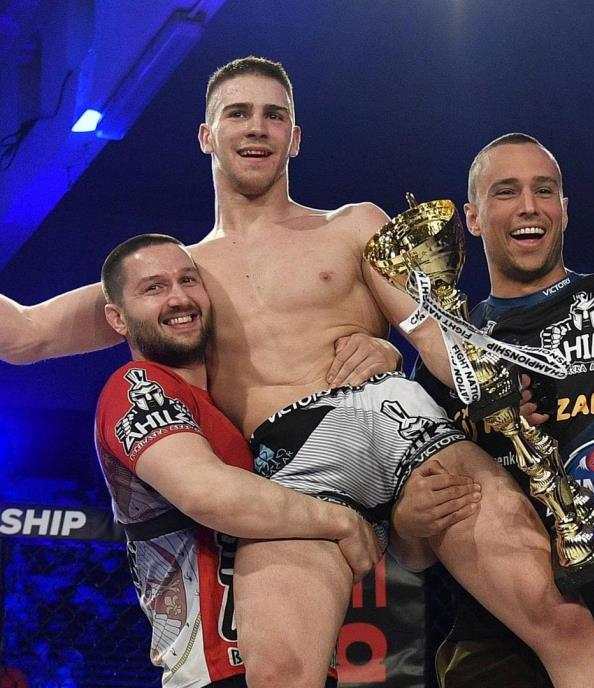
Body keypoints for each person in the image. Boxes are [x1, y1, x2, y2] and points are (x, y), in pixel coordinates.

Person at [0, 57, 594, 688]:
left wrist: (483, 389)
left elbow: (434, 334)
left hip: (402, 425)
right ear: (206, 136)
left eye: (274, 115)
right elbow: (25, 335)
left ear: (295, 137)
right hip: (293, 468)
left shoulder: (354, 224)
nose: (257, 128)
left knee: (561, 621)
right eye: (238, 114)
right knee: (279, 674)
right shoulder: (177, 277)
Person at [415, 133, 594, 687]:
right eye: (505, 191)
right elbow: (411, 550)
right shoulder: (446, 356)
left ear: (564, 209)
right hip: (486, 639)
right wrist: (411, 519)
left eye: (544, 190)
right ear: (471, 218)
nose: (529, 206)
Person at [95, 233, 387, 688]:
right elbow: (206, 493)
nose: (178, 298)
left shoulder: (228, 409)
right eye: (154, 288)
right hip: (220, 670)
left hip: (297, 658)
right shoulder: (139, 386)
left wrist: (381, 352)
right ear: (118, 318)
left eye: (187, 280)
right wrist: (342, 522)